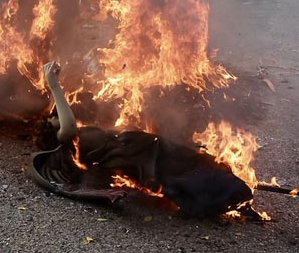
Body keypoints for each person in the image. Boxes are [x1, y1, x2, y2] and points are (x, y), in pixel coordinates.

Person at [35, 61, 253, 217]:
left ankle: (231, 191)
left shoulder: (79, 136)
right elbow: (69, 125)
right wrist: (53, 85)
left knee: (195, 162)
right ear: (51, 131)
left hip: (144, 148)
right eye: (52, 118)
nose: (56, 114)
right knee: (186, 176)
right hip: (141, 159)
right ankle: (229, 196)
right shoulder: (65, 141)